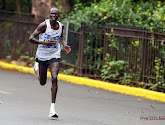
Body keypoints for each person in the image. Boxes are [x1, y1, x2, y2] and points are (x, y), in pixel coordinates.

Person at [29, 7, 71, 118]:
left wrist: (64, 44)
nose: (54, 15)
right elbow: (31, 38)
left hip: (54, 53)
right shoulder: (43, 25)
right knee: (42, 82)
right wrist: (44, 42)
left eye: (56, 14)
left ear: (58, 15)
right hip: (42, 54)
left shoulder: (60, 26)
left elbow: (60, 36)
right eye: (52, 13)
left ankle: (52, 108)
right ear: (49, 15)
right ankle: (37, 67)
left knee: (54, 77)